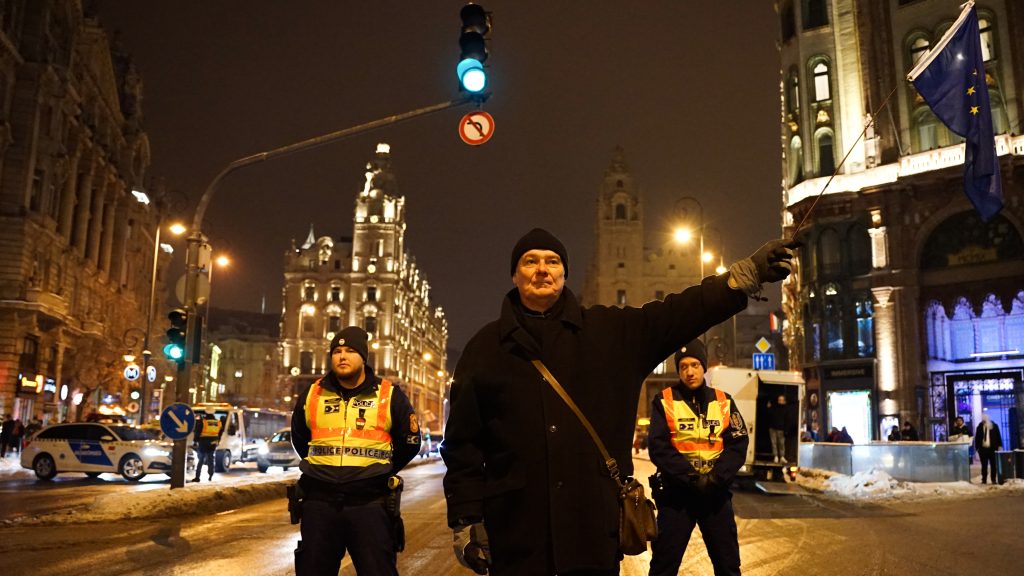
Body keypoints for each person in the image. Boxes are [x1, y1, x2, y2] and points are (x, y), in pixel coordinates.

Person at [441, 228, 796, 576]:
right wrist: (465, 519)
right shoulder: (485, 348)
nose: (542, 269)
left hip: (591, 535)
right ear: (515, 274)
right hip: (517, 536)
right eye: (530, 261)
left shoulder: (608, 332)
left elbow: (679, 313)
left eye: (552, 261)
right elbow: (463, 444)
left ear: (565, 273)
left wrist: (741, 277)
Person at [290, 326, 421, 575]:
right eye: (337, 351)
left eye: (350, 351)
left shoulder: (388, 395)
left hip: (369, 504)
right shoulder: (313, 393)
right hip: (320, 503)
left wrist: (380, 472)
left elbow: (410, 442)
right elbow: (299, 438)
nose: (342, 356)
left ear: (363, 357)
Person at [647, 339, 749, 576]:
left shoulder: (724, 401)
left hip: (715, 495)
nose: (689, 372)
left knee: (728, 566)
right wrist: (691, 478)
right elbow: (658, 447)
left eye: (694, 365)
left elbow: (738, 444)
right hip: (677, 496)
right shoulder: (664, 401)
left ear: (704, 367)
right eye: (683, 366)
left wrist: (715, 479)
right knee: (663, 567)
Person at [191, 412, 223, 482]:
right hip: (213, 443)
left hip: (203, 442)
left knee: (201, 460)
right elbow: (220, 433)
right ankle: (210, 475)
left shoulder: (203, 422)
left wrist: (195, 441)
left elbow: (198, 432)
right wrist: (218, 440)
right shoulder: (218, 422)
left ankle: (197, 477)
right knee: (211, 460)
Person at [974, 413, 1003, 485]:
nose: (984, 421)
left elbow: (998, 436)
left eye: (985, 420)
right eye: (983, 420)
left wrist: (999, 445)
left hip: (992, 448)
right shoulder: (979, 427)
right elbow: (977, 438)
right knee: (984, 465)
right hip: (983, 449)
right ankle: (984, 479)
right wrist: (977, 448)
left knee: (993, 465)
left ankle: (993, 479)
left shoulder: (994, 426)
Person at [765, 394, 789, 463]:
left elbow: (787, 420)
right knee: (774, 443)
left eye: (781, 400)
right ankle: (775, 456)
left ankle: (782, 457)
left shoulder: (786, 409)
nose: (780, 401)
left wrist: (786, 430)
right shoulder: (774, 407)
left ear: (784, 401)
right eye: (779, 400)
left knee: (781, 444)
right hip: (773, 428)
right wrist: (768, 408)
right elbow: (769, 415)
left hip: (781, 429)